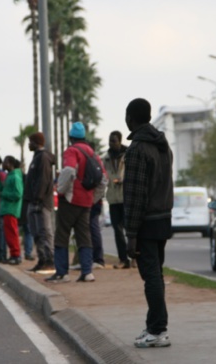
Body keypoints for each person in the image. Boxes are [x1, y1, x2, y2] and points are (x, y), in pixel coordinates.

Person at [123, 98, 173, 348]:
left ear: (131, 118)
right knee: (156, 275)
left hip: (146, 223)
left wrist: (131, 234)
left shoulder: (137, 150)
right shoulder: (163, 146)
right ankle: (154, 325)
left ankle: (158, 330)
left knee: (151, 276)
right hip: (163, 219)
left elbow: (134, 196)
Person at [45, 122, 107, 283]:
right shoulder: (93, 154)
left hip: (70, 200)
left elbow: (68, 171)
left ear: (71, 137)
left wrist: (61, 190)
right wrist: (94, 198)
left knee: (62, 235)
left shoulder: (72, 151)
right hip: (86, 203)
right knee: (84, 236)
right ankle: (87, 272)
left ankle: (62, 273)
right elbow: (103, 179)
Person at [24, 132, 56, 273]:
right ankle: (42, 260)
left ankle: (50, 261)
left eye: (30, 142)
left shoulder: (43, 158)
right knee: (36, 233)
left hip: (41, 203)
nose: (28, 145)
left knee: (45, 232)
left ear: (36, 143)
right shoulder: (36, 157)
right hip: (33, 202)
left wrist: (38, 198)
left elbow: (43, 180)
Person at [103, 130, 131, 269]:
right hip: (113, 199)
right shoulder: (106, 158)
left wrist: (123, 180)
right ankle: (123, 259)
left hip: (126, 197)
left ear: (120, 141)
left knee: (130, 229)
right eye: (110, 140)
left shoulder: (128, 154)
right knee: (117, 230)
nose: (111, 143)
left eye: (113, 140)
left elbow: (132, 173)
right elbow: (104, 176)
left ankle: (134, 257)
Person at [0, 156, 24, 265]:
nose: (2, 164)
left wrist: (3, 194)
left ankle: (16, 255)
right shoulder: (10, 176)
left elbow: (18, 194)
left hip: (11, 209)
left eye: (4, 162)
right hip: (6, 209)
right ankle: (13, 254)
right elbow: (3, 189)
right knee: (9, 234)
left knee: (12, 233)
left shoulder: (15, 177)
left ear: (9, 163)